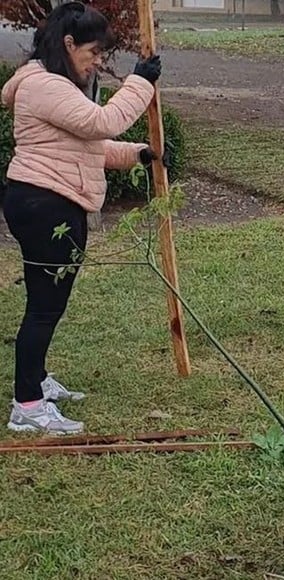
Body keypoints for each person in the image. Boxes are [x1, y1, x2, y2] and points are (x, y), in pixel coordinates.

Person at [2, 2, 164, 434]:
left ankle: (35, 381)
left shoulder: (53, 83)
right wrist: (141, 82)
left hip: (46, 201)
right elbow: (102, 122)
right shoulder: (44, 87)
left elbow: (86, 147)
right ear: (68, 43)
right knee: (44, 307)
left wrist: (137, 155)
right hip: (45, 205)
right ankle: (28, 406)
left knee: (47, 304)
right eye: (93, 52)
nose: (97, 62)